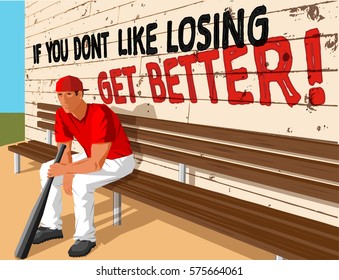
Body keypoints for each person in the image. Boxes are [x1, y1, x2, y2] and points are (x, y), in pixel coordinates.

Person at [33, 75, 135, 257]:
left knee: (81, 182)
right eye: (60, 95)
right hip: (91, 156)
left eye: (69, 94)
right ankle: (51, 226)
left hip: (119, 160)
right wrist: (66, 169)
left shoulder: (100, 113)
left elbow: (97, 163)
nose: (63, 100)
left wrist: (68, 170)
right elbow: (64, 149)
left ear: (80, 94)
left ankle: (85, 237)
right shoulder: (62, 114)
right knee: (46, 170)